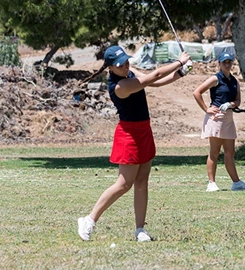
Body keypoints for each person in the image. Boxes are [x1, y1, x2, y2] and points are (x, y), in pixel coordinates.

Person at [77, 45, 191, 242]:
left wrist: (181, 72)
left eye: (126, 61)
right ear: (110, 68)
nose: (126, 66)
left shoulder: (129, 73)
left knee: (142, 182)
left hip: (144, 130)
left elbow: (155, 82)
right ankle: (89, 219)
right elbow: (153, 76)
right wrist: (179, 61)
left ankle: (140, 229)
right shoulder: (119, 87)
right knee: (124, 184)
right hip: (129, 134)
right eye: (120, 65)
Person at [192, 52, 245, 192]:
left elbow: (238, 101)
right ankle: (211, 183)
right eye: (224, 62)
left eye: (229, 62)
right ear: (219, 63)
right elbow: (197, 92)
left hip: (228, 118)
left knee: (230, 152)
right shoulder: (215, 78)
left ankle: (236, 183)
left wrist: (231, 104)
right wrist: (206, 109)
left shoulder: (234, 81)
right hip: (216, 117)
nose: (227, 64)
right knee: (214, 152)